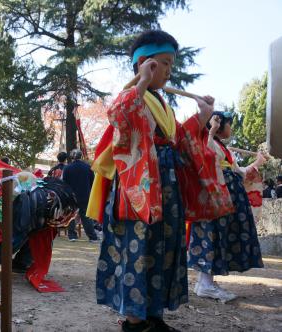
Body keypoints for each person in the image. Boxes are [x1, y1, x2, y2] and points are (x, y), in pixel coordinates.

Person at [92, 30, 216, 332]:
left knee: (163, 247)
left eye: (171, 63)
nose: (169, 70)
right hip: (140, 187)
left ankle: (153, 315)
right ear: (144, 64)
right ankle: (134, 322)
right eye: (164, 62)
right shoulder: (131, 95)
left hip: (166, 185)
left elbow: (178, 141)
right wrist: (142, 83)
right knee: (138, 247)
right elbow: (119, 117)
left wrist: (202, 117)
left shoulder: (160, 101)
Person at [188, 112, 265, 302]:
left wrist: (258, 162)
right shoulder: (208, 140)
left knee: (217, 234)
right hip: (214, 194)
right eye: (229, 124)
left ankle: (205, 282)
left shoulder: (224, 148)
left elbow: (239, 172)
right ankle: (205, 285)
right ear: (219, 125)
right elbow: (203, 157)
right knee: (211, 233)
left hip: (225, 195)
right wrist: (212, 131)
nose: (231, 128)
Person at [62, 149, 99, 242]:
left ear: (72, 157)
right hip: (85, 195)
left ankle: (72, 236)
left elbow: (64, 183)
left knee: (71, 215)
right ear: (81, 156)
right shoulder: (88, 167)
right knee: (86, 216)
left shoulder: (67, 168)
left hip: (71, 195)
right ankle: (92, 237)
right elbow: (92, 182)